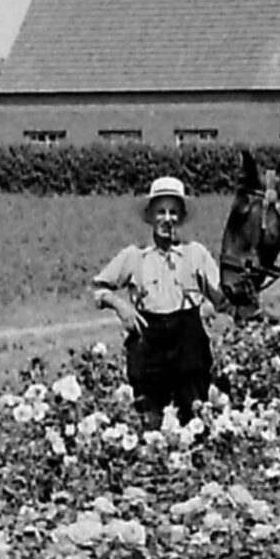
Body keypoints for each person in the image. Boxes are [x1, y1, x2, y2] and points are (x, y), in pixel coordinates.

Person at [93, 175, 230, 424]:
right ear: (151, 215)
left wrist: (211, 306)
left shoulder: (195, 253)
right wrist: (121, 306)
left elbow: (223, 298)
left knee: (195, 416)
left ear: (181, 217)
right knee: (151, 418)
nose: (167, 219)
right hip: (149, 341)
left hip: (188, 342)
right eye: (161, 212)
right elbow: (99, 289)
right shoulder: (135, 256)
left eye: (174, 213)